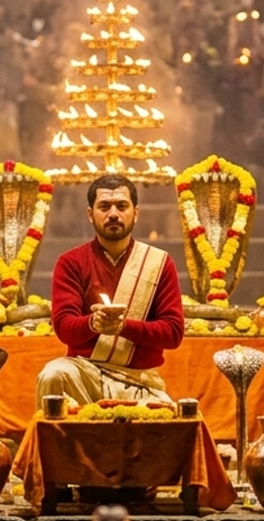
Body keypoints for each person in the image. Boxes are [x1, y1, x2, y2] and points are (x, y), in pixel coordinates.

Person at [38, 174, 183, 406]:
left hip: (140, 379)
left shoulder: (159, 263)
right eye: (104, 206)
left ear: (135, 213)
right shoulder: (72, 262)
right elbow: (64, 327)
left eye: (122, 206)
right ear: (90, 214)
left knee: (165, 426)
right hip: (84, 373)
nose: (113, 214)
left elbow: (173, 333)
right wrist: (94, 324)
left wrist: (123, 327)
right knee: (53, 375)